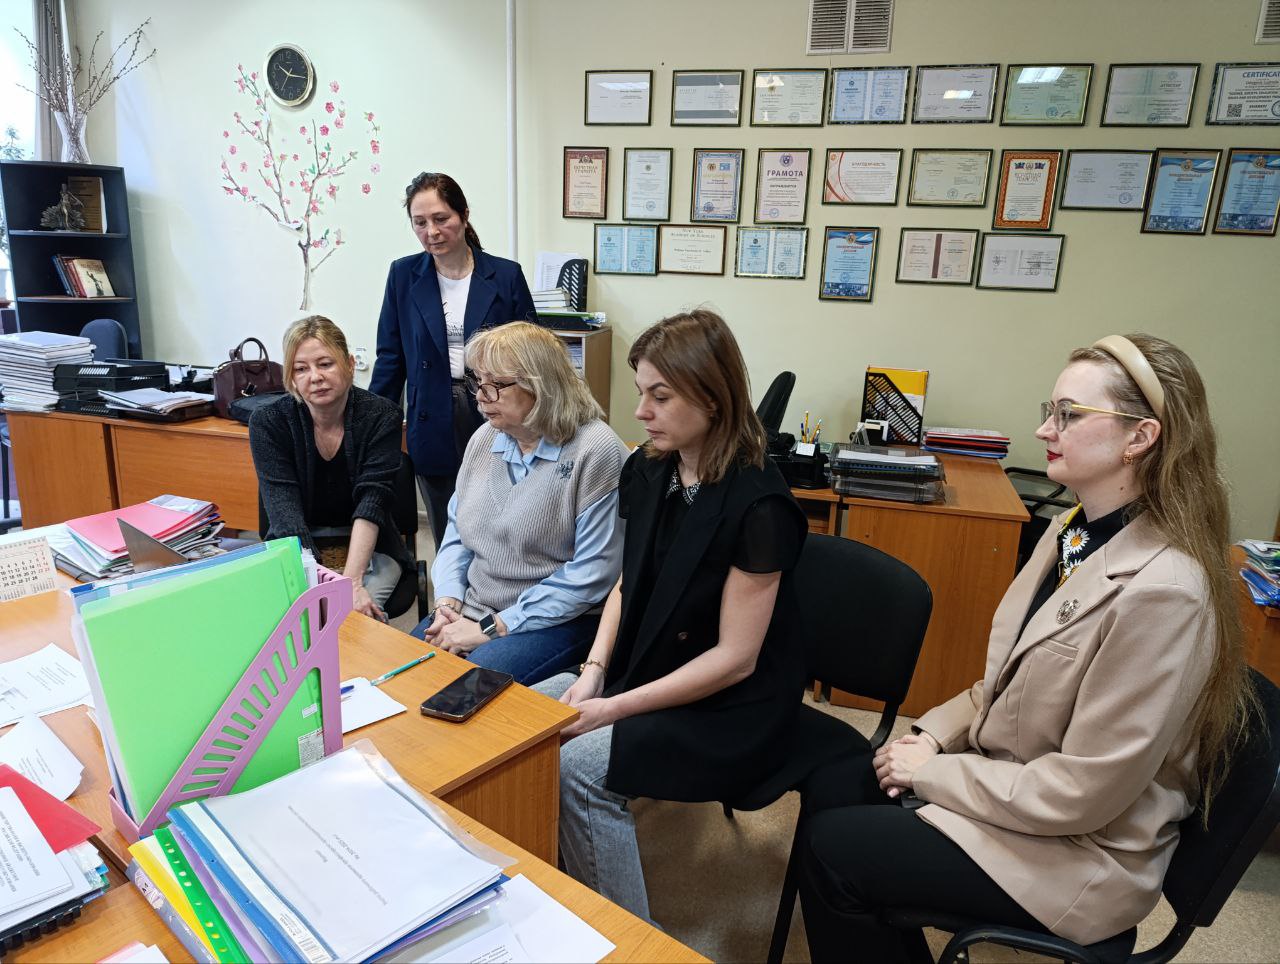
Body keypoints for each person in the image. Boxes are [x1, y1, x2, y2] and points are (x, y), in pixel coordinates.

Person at [797, 334, 1257, 962]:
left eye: (1069, 414)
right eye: (1051, 410)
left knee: (834, 852)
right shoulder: (1075, 529)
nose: (1044, 429)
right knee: (836, 783)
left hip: (1079, 853)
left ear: (1141, 437)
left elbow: (1083, 792)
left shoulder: (1166, 592)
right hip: (1020, 789)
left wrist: (932, 773)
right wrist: (930, 737)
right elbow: (1004, 684)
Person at [532, 308, 808, 922]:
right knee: (523, 722)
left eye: (660, 397)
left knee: (577, 766)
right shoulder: (650, 468)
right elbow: (627, 584)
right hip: (652, 666)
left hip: (729, 705)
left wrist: (612, 709)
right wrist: (594, 672)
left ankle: (631, 941)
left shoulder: (759, 504)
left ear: (712, 397)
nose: (641, 412)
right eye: (641, 393)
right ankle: (558, 900)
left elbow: (735, 661)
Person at [413, 322, 628, 686]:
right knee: (409, 666)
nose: (481, 396)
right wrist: (448, 603)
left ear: (540, 386)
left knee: (464, 686)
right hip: (476, 607)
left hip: (557, 618)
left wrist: (492, 627)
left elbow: (591, 576)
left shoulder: (596, 450)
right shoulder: (485, 438)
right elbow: (457, 535)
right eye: (478, 381)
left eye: (495, 384)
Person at [369, 172, 536, 546]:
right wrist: (371, 425)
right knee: (447, 531)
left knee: (501, 528)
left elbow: (533, 357)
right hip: (431, 417)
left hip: (494, 412)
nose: (431, 232)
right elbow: (391, 358)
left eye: (441, 218)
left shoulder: (505, 276)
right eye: (420, 222)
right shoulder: (403, 275)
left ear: (464, 215)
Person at [250, 315, 412, 622]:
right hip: (296, 547)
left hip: (370, 548)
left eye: (325, 364)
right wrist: (321, 586)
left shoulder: (382, 416)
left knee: (354, 621)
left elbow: (372, 502)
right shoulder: (268, 422)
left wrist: (351, 583)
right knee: (308, 621)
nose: (315, 377)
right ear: (290, 377)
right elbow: (285, 515)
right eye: (301, 368)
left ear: (349, 364)